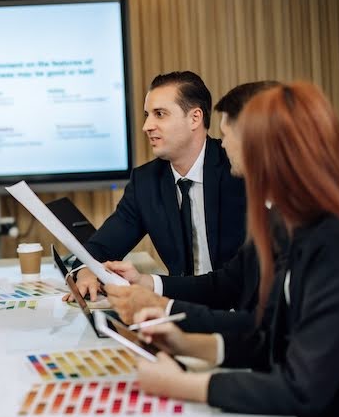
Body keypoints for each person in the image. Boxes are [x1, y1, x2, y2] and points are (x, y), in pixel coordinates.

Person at [125, 82, 339, 417]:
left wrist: (182, 385)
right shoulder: (289, 223)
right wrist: (187, 342)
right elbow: (270, 338)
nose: (222, 145)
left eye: (228, 136)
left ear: (264, 151)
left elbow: (301, 389)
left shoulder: (338, 244)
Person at [103, 81, 282, 333]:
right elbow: (228, 282)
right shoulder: (146, 180)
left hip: (241, 328)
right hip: (224, 325)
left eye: (228, 134)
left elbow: (263, 325)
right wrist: (148, 285)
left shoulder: (289, 218)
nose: (223, 144)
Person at [70, 71, 246, 304]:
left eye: (160, 114)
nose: (146, 126)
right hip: (181, 310)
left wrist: (148, 283)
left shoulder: (238, 170)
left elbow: (243, 279)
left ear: (194, 118)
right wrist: (86, 272)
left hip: (241, 313)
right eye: (147, 115)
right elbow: (99, 247)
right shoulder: (147, 181)